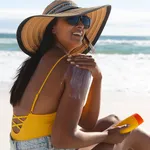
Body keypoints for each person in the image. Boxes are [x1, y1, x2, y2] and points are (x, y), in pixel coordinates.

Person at [9, 0, 150, 150]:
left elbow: (87, 123)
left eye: (85, 20)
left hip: (21, 146)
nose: (81, 25)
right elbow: (63, 140)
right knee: (125, 136)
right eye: (72, 19)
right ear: (53, 28)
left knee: (112, 121)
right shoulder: (73, 67)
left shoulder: (40, 62)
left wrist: (97, 77)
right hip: (50, 146)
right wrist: (108, 136)